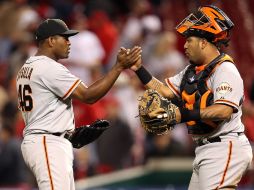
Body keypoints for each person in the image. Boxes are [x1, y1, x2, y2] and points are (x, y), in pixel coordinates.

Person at [130, 5, 253, 190]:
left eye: (190, 40)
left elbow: (223, 110)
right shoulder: (192, 71)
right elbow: (164, 90)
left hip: (225, 146)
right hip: (206, 147)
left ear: (203, 42)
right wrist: (138, 69)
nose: (185, 45)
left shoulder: (225, 69)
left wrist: (181, 115)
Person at [16, 18, 141, 190]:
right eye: (64, 38)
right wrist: (118, 67)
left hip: (45, 139)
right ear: (51, 41)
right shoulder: (49, 68)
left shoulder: (27, 67)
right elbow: (88, 96)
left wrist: (68, 132)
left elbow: (46, 108)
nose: (69, 43)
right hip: (48, 142)